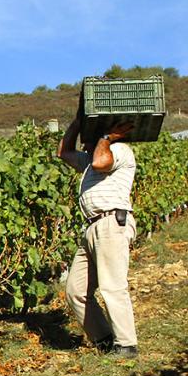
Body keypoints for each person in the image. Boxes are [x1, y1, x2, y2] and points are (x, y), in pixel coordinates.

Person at [56, 114, 138, 357]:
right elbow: (63, 152)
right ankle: (105, 341)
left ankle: (127, 345)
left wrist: (107, 137)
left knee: (113, 286)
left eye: (87, 140)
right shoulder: (89, 162)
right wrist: (77, 123)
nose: (84, 145)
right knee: (75, 291)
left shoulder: (119, 150)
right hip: (92, 228)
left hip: (112, 222)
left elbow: (103, 163)